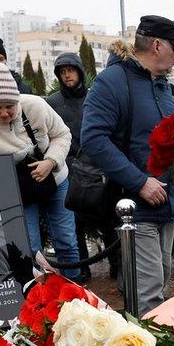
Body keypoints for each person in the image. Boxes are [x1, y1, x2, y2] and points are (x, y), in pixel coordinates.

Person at [80, 15, 174, 315]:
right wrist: (139, 182)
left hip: (167, 205)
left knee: (160, 286)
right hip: (135, 209)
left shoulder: (163, 87)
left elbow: (166, 138)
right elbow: (93, 138)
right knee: (149, 298)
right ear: (156, 45)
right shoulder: (113, 81)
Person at [0, 62, 79, 281]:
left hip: (55, 180)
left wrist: (51, 161)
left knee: (66, 240)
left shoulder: (36, 106)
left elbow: (62, 135)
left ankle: (75, 288)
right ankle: (40, 298)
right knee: (28, 245)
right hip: (19, 189)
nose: (3, 113)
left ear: (17, 100)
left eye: (9, 106)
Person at [46, 52, 111, 283]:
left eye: (70, 70)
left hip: (98, 166)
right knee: (75, 223)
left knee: (107, 218)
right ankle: (82, 268)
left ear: (79, 72)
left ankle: (116, 264)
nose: (67, 75)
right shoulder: (52, 103)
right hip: (68, 168)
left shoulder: (95, 97)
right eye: (62, 72)